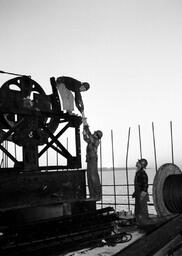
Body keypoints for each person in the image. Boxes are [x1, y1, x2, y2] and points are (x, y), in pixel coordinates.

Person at [82, 117, 103, 201]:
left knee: (94, 176)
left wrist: (85, 124)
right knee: (89, 177)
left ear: (97, 136)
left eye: (95, 133)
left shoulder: (96, 141)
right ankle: (92, 195)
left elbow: (89, 135)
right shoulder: (92, 140)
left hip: (93, 159)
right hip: (89, 159)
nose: (94, 134)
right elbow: (86, 138)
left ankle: (98, 195)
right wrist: (84, 131)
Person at [132, 158, 149, 225]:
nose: (136, 162)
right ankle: (139, 222)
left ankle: (145, 223)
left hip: (142, 195)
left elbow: (145, 185)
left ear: (141, 165)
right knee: (138, 209)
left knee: (142, 210)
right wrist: (135, 193)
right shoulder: (138, 172)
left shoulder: (142, 173)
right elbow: (139, 184)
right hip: (138, 194)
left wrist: (142, 195)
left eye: (138, 162)